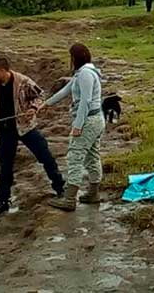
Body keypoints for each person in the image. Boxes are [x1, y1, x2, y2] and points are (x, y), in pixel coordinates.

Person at [0, 57, 65, 216]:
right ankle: (3, 201)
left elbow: (40, 96)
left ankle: (61, 189)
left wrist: (33, 108)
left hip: (26, 127)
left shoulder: (24, 82)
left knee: (45, 157)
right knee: (5, 166)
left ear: (3, 71)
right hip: (5, 130)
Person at [40, 44, 105, 211]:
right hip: (96, 119)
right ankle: (93, 193)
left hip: (88, 120)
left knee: (75, 157)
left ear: (75, 58)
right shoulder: (83, 73)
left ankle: (69, 199)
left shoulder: (85, 74)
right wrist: (46, 104)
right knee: (92, 155)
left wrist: (78, 125)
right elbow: (65, 91)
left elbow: (86, 101)